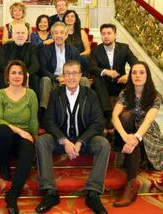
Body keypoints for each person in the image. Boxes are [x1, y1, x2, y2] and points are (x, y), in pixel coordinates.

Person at [35, 60, 110, 214]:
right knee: (42, 140)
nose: (71, 77)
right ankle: (50, 192)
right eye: (67, 73)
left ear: (80, 75)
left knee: (103, 143)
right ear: (63, 76)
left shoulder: (91, 94)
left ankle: (93, 193)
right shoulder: (55, 94)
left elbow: (98, 122)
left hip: (86, 141)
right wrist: (64, 140)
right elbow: (48, 121)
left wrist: (81, 141)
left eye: (74, 73)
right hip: (61, 141)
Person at [111, 61, 163, 207]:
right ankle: (132, 175)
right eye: (134, 72)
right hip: (128, 130)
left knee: (134, 134)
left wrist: (135, 138)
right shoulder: (125, 93)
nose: (137, 75)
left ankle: (131, 185)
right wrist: (126, 137)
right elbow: (114, 116)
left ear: (147, 75)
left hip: (146, 131)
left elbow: (148, 121)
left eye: (141, 72)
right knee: (125, 116)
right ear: (130, 76)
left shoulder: (155, 95)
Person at [0, 60, 38, 214]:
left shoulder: (31, 94)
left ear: (25, 76)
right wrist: (20, 131)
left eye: (20, 73)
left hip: (21, 137)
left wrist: (33, 138)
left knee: (28, 150)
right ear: (7, 76)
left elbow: (33, 120)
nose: (17, 76)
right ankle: (3, 165)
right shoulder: (0, 94)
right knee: (4, 131)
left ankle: (12, 195)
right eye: (13, 73)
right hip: (0, 137)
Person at [89, 23, 138, 127]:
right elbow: (92, 68)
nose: (106, 36)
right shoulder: (96, 50)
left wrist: (128, 76)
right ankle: (108, 113)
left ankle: (134, 117)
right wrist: (106, 71)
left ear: (115, 35)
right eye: (103, 34)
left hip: (120, 83)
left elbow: (136, 64)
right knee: (98, 78)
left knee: (133, 80)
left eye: (109, 33)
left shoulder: (124, 48)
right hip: (104, 85)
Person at [39, 22, 90, 112]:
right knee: (45, 80)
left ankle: (85, 110)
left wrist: (67, 78)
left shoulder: (74, 50)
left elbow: (77, 69)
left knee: (84, 80)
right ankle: (44, 112)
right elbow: (43, 69)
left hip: (71, 78)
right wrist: (57, 78)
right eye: (56, 33)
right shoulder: (45, 50)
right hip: (53, 80)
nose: (59, 35)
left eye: (62, 33)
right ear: (52, 36)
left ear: (66, 35)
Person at [0, 23, 40, 94]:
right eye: (17, 33)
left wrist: (25, 74)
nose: (20, 35)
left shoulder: (32, 47)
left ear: (26, 36)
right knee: (0, 78)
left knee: (35, 78)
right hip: (9, 74)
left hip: (27, 74)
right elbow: (0, 64)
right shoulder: (5, 47)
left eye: (23, 33)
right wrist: (11, 73)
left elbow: (35, 64)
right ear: (13, 36)